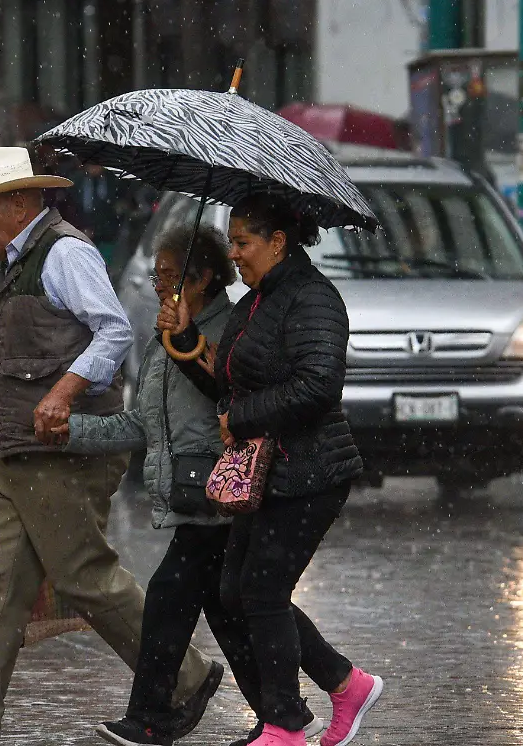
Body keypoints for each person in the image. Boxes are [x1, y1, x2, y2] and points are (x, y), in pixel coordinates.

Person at [0, 147, 220, 746]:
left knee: (84, 575)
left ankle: (183, 680)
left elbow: (115, 328)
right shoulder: (20, 257)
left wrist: (65, 391)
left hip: (63, 450)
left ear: (20, 202)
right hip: (24, 450)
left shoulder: (65, 252)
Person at [52, 224, 324, 746]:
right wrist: (72, 432)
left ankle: (155, 716)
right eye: (156, 275)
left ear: (201, 279)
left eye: (170, 276)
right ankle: (285, 716)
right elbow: (144, 424)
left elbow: (228, 393)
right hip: (193, 496)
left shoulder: (231, 331)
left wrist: (184, 341)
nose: (157, 285)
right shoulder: (165, 337)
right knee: (226, 609)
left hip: (219, 496)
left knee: (172, 595)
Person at [161, 194, 384, 746]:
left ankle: (284, 726)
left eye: (244, 243)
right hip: (268, 472)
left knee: (261, 592)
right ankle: (345, 683)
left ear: (278, 242)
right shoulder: (256, 301)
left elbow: (317, 386)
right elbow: (235, 386)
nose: (235, 255)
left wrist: (243, 414)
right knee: (237, 591)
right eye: (232, 243)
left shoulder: (314, 300)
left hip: (311, 473)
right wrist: (187, 343)